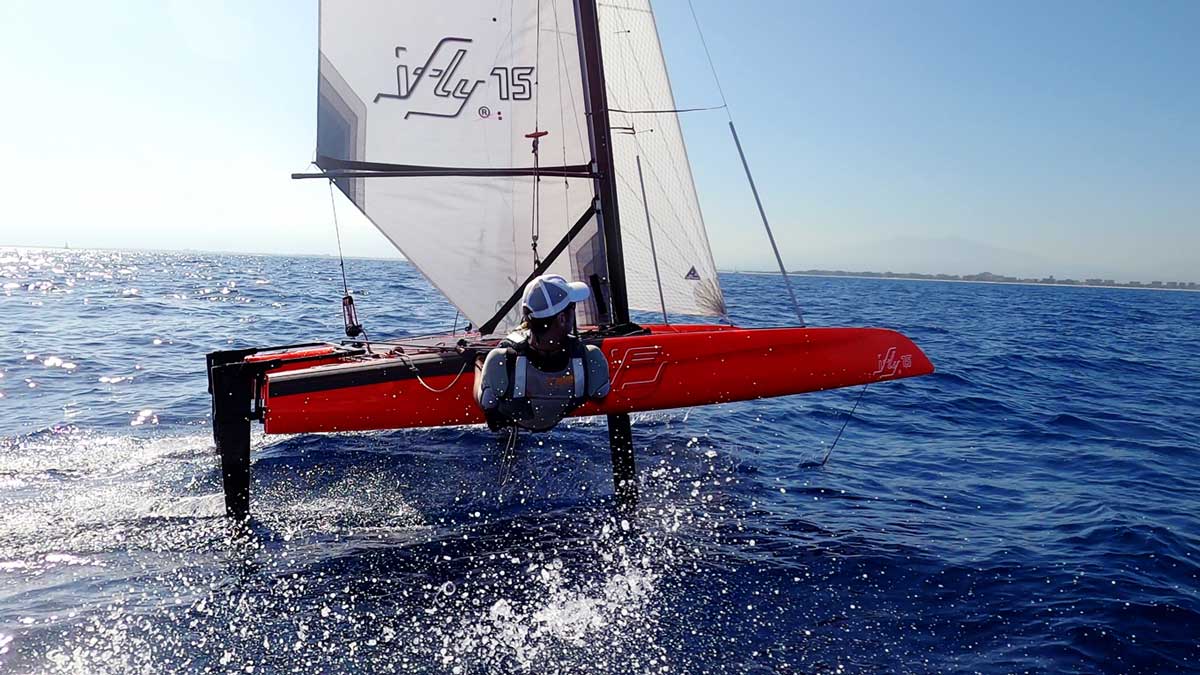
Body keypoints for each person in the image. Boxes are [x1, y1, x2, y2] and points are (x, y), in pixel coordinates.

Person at [475, 274, 610, 432]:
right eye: (572, 307)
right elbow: (601, 397)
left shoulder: (501, 359)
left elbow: (487, 404)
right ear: (561, 318)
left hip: (513, 420)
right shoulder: (591, 357)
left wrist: (479, 364)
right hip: (556, 420)